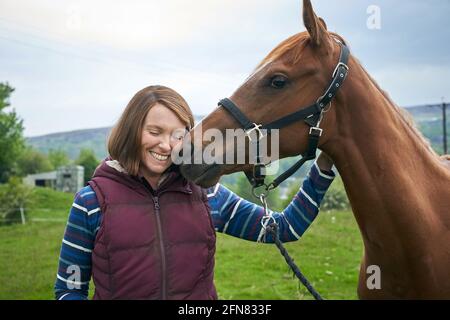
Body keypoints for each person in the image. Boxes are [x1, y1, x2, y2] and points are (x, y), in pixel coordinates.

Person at [54, 85, 335, 300]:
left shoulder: (208, 195)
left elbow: (285, 228)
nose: (166, 145)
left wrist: (323, 167)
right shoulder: (91, 202)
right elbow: (69, 289)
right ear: (131, 131)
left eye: (179, 135)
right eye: (155, 131)